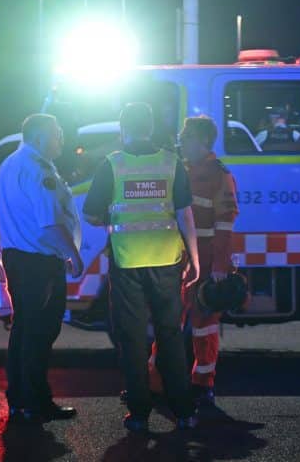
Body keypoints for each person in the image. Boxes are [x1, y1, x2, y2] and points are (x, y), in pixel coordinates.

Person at [82, 103, 201, 433]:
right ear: (151, 127)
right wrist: (195, 258)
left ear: (123, 128)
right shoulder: (171, 162)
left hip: (128, 262)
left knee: (132, 340)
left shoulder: (112, 165)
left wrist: (114, 218)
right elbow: (184, 214)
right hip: (167, 261)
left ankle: (139, 414)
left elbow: (91, 214)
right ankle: (185, 411)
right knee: (171, 337)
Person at [0, 113, 84, 424]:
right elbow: (49, 223)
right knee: (39, 333)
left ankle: (20, 400)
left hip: (19, 258)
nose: (61, 138)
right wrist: (73, 253)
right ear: (38, 137)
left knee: (23, 331)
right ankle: (36, 402)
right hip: (39, 263)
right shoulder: (38, 169)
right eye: (56, 133)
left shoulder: (11, 163)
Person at [148, 116, 240, 407]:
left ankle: (202, 383)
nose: (181, 142)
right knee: (167, 323)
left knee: (204, 325)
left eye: (187, 138)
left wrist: (220, 268)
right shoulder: (183, 170)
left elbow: (225, 224)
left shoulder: (218, 176)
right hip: (178, 260)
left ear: (202, 142)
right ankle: (155, 383)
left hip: (204, 261)